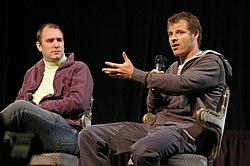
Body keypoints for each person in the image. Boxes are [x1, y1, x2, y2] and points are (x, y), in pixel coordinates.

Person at [78, 11, 232, 166]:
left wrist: (137, 75)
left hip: (185, 132)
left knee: (143, 150)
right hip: (157, 128)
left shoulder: (212, 62)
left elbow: (182, 83)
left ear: (195, 34)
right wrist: (155, 88)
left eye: (180, 32)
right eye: (170, 34)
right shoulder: (173, 68)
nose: (173, 38)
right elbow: (153, 108)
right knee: (90, 135)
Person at [0, 23, 94, 155]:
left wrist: (39, 108)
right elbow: (19, 106)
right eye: (50, 41)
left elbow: (78, 102)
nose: (56, 45)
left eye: (59, 40)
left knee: (20, 107)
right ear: (39, 46)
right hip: (32, 135)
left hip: (66, 133)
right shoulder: (31, 73)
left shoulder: (78, 68)